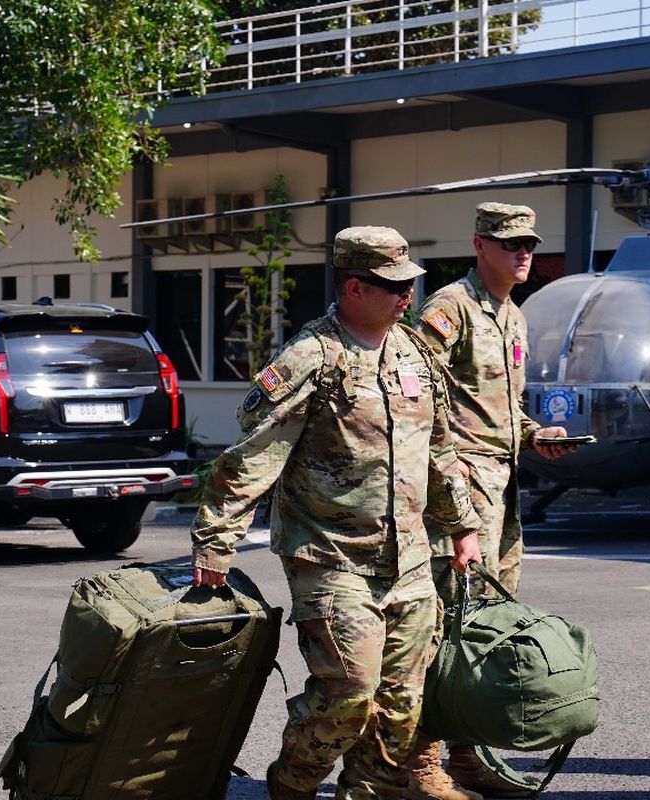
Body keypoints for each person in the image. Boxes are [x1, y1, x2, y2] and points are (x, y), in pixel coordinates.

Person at [190, 226, 483, 800]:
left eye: (410, 284)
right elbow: (254, 456)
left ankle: (368, 793)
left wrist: (463, 525)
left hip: (411, 559)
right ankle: (294, 783)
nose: (408, 296)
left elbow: (440, 447)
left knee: (400, 705)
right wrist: (216, 540)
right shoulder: (312, 358)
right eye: (393, 285)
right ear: (354, 287)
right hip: (331, 556)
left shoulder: (415, 353)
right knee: (349, 692)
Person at [406, 202, 575, 800]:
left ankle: (467, 756)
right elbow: (418, 403)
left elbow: (503, 410)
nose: (523, 254)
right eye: (510, 245)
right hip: (459, 487)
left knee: (485, 626)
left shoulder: (514, 316)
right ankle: (420, 765)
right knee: (443, 624)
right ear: (479, 246)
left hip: (502, 487)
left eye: (528, 243)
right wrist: (450, 492)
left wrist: (536, 436)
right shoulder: (449, 308)